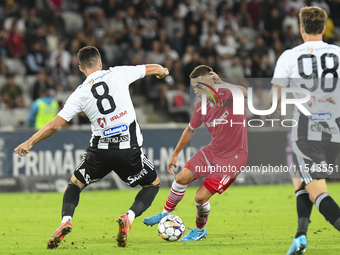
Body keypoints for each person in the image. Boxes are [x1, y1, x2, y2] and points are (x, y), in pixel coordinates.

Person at [14, 46, 169, 249]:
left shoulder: (79, 93)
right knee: (152, 184)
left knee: (75, 184)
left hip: (99, 152)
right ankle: (129, 216)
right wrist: (162, 71)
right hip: (127, 149)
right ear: (100, 62)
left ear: (80, 68)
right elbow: (153, 67)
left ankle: (66, 221)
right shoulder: (118, 73)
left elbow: (54, 125)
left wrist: (29, 142)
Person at [143, 65, 248, 241]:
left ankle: (200, 230)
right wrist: (175, 154)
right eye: (194, 87)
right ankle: (165, 214)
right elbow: (190, 130)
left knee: (199, 198)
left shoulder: (227, 94)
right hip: (213, 150)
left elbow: (245, 92)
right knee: (181, 178)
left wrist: (224, 84)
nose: (196, 91)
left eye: (200, 85)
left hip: (233, 157)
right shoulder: (202, 107)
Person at [269, 6, 340, 255]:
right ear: (323, 28)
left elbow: (274, 98)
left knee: (317, 191)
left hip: (307, 130)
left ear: (301, 29)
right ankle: (300, 236)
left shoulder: (289, 56)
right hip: (336, 129)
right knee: (301, 180)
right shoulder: (338, 53)